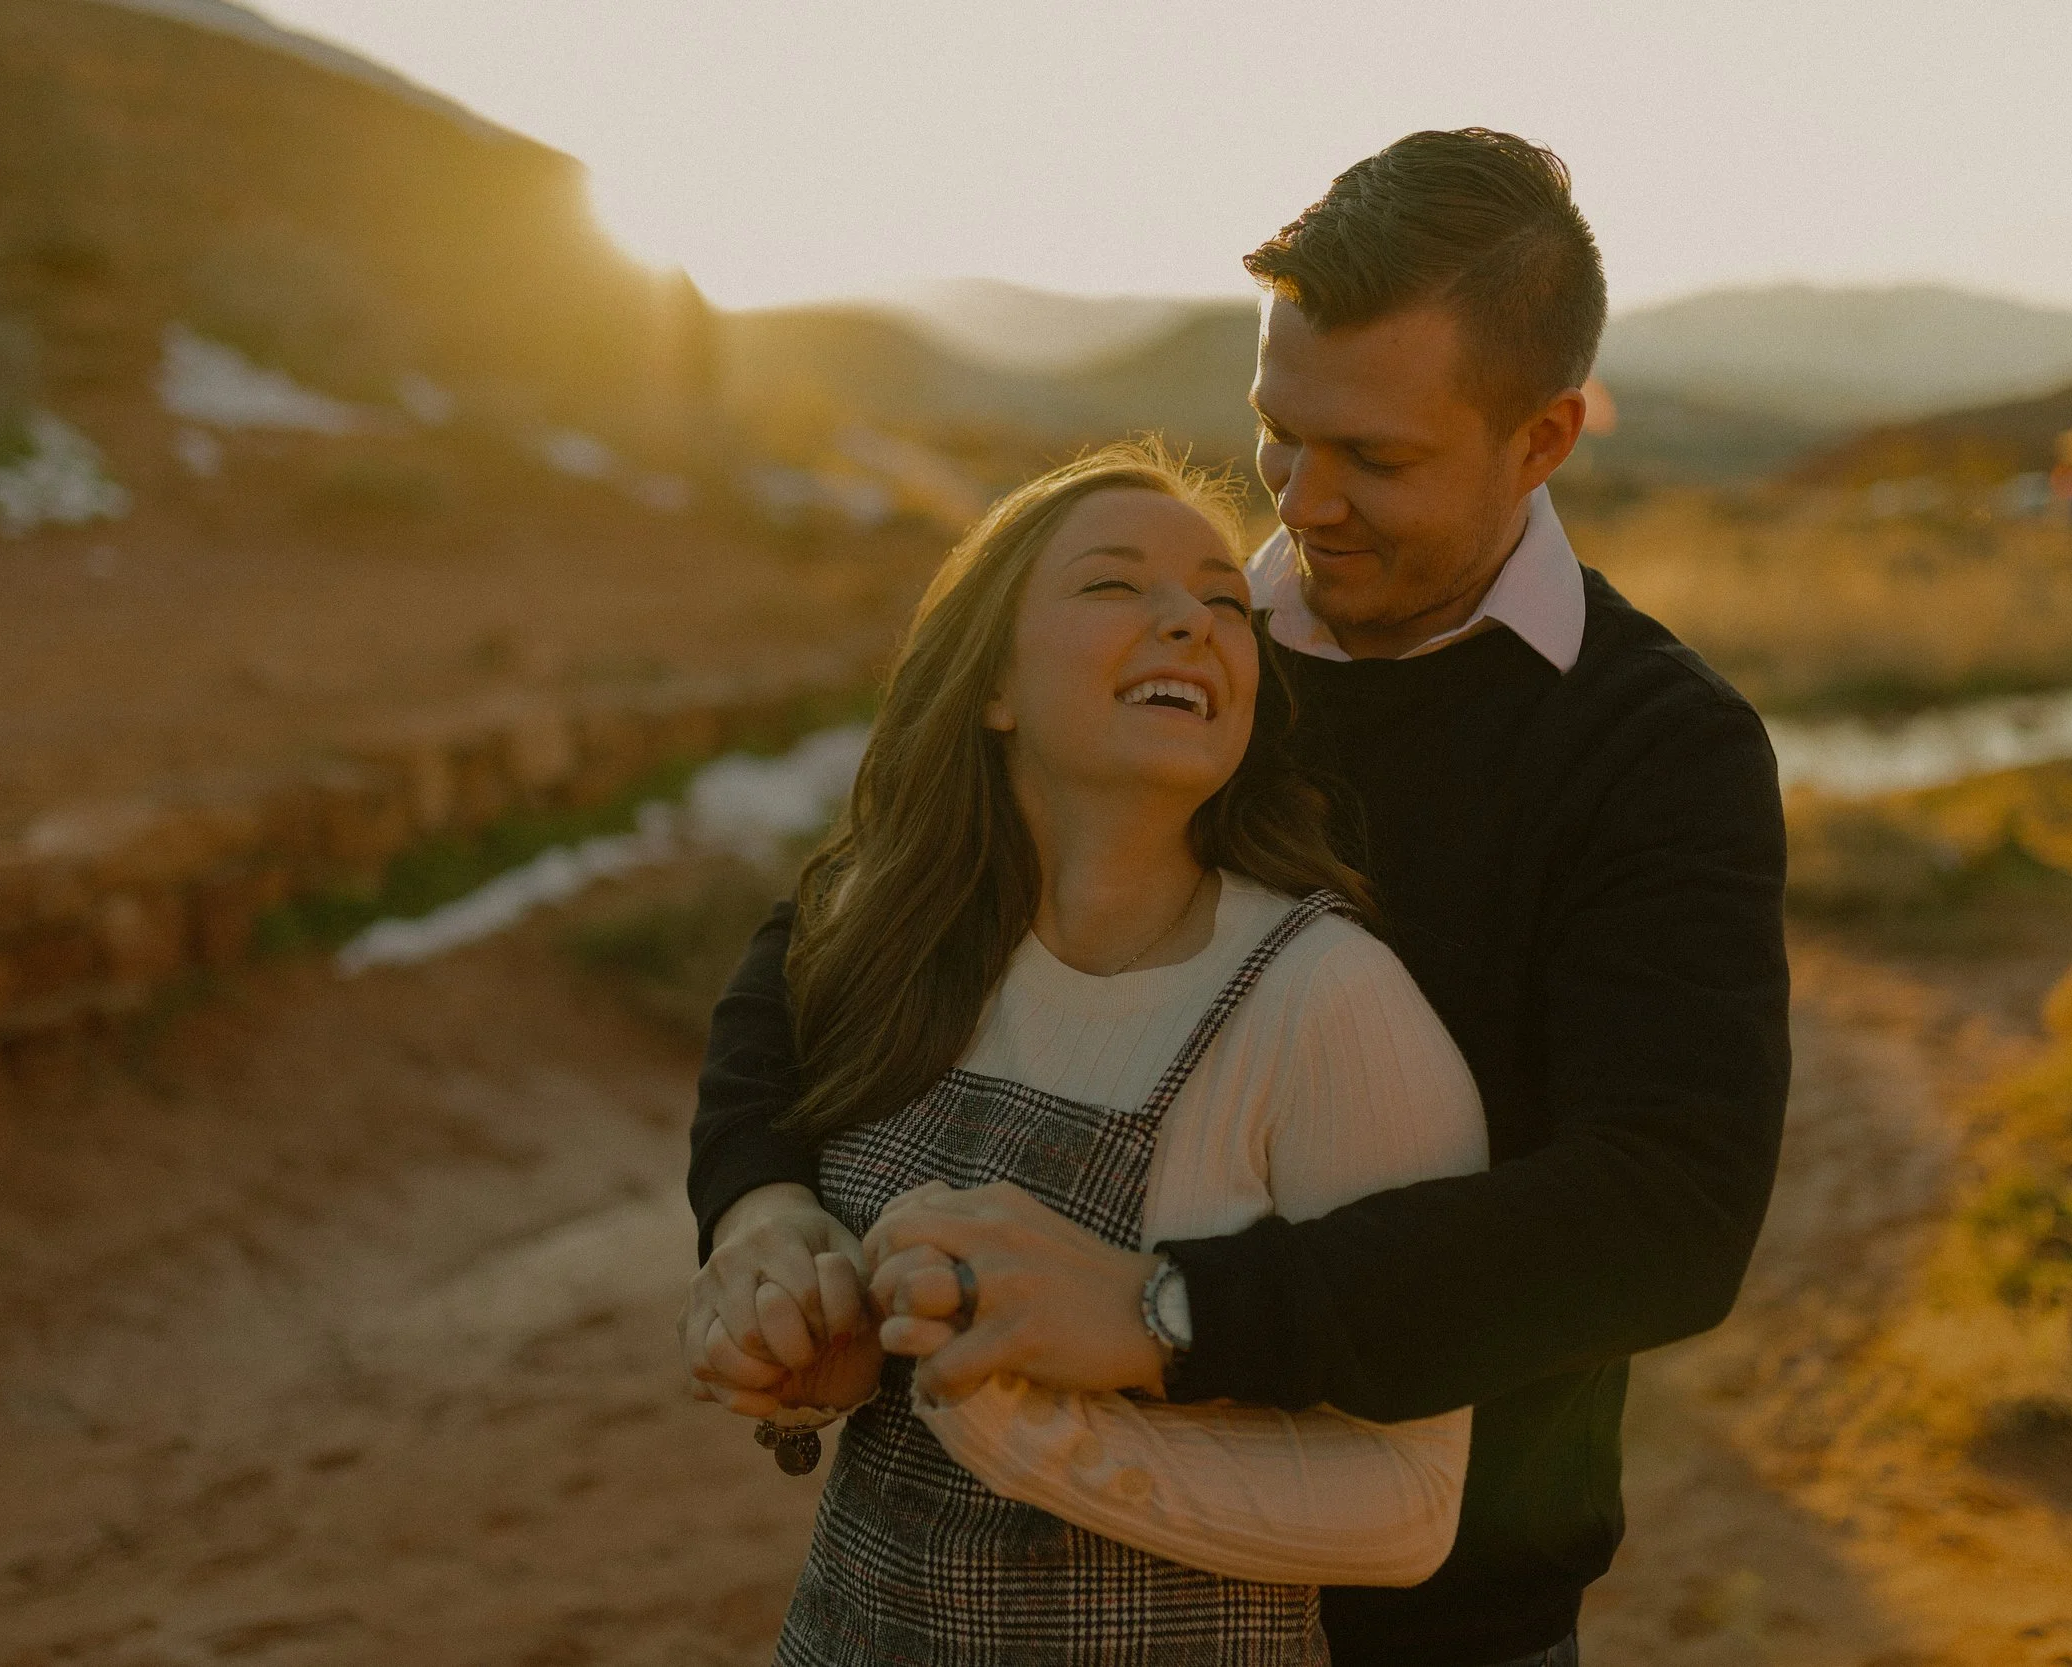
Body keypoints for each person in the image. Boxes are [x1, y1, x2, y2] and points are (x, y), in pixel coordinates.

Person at [686, 129, 1791, 1667]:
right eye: (1280, 432)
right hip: (994, 1585)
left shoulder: (1653, 744)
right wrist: (764, 1207)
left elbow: (1668, 1208)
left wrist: (1167, 1311)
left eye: (1378, 460)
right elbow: (842, 923)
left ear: (1540, 438)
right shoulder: (1186, 655)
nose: (1304, 503)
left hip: (1427, 1619)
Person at [714, 441, 1490, 1666]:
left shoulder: (1326, 1000)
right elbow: (760, 1094)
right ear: (992, 686)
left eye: (1226, 602)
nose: (1190, 618)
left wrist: (1041, 1436)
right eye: (1115, 585)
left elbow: (1409, 1503)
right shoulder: (908, 945)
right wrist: (802, 1313)